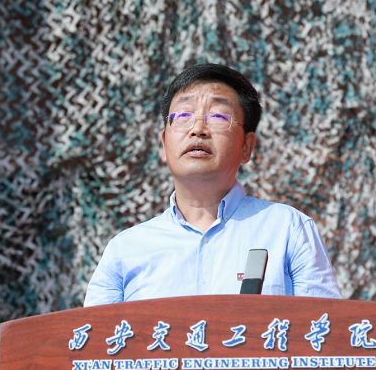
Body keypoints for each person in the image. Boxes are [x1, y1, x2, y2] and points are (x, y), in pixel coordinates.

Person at [83, 63, 341, 306]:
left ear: (247, 146)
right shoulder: (125, 249)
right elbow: (91, 337)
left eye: (218, 116)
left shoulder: (288, 230)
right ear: (164, 143)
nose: (198, 129)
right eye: (183, 115)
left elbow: (325, 330)